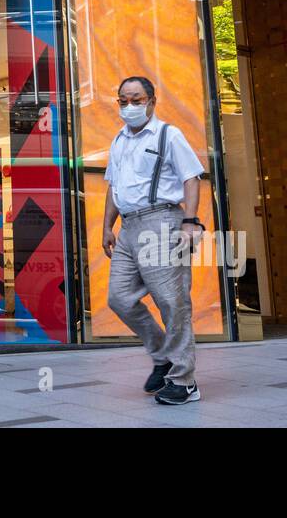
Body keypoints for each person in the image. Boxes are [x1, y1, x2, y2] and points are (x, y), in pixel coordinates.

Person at [102, 76, 207, 406]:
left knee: (171, 301)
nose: (129, 106)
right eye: (123, 100)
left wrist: (189, 221)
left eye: (136, 99)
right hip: (129, 227)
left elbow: (192, 178)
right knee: (119, 298)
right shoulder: (118, 140)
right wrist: (107, 226)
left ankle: (184, 380)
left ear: (151, 101)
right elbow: (113, 187)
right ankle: (163, 356)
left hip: (162, 220)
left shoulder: (168, 134)